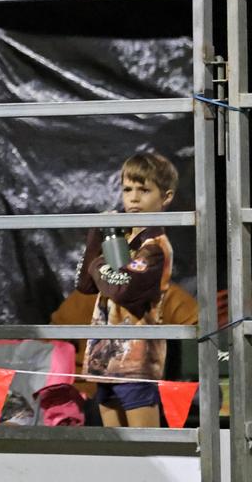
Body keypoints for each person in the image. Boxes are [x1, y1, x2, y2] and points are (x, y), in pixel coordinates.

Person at [76, 152, 179, 427]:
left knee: (146, 447)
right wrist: (98, 234)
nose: (133, 198)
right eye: (127, 189)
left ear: (165, 197)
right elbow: (85, 286)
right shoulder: (120, 237)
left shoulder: (155, 246)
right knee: (119, 450)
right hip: (104, 356)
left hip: (135, 361)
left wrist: (99, 263)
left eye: (144, 190)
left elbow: (122, 289)